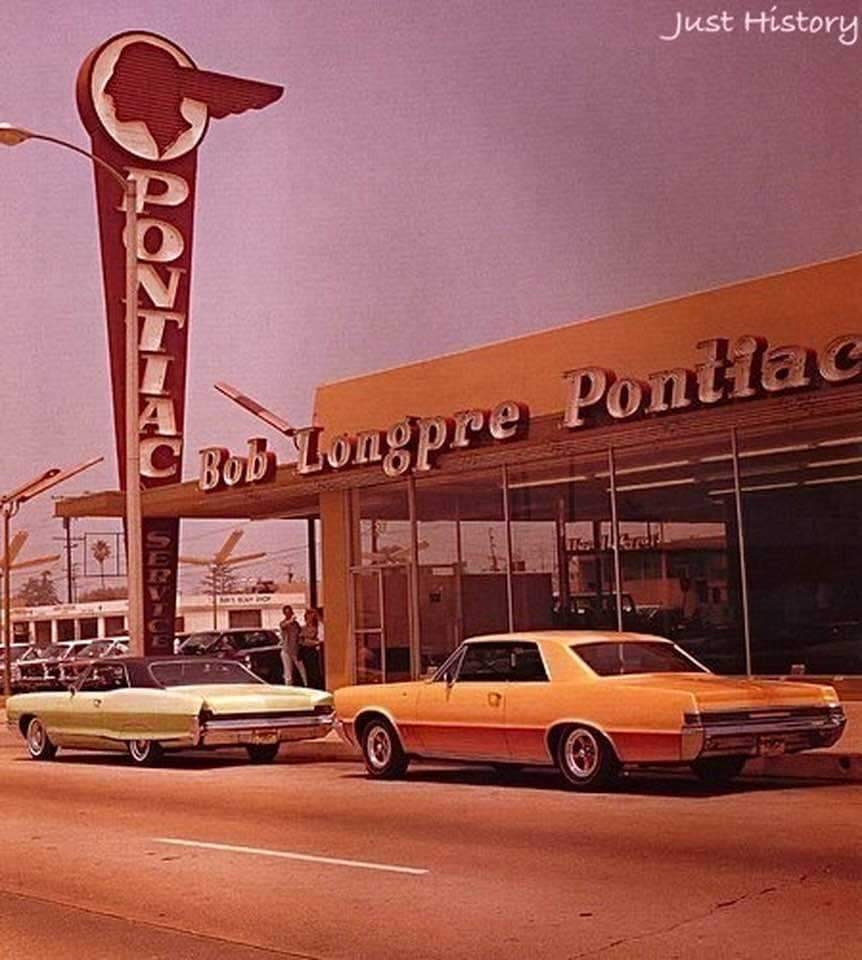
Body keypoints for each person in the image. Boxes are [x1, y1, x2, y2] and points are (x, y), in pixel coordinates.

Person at [278, 605, 306, 686]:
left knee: (302, 670)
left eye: (290, 612)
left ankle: (306, 685)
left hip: (296, 650)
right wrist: (290, 620)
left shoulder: (296, 625)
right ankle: (288, 688)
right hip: (286, 650)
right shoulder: (283, 623)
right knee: (288, 673)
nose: (288, 614)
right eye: (286, 613)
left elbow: (299, 635)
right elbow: (283, 626)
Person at [299, 607, 324, 690]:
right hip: (306, 651)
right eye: (308, 617)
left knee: (316, 670)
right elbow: (301, 640)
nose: (309, 619)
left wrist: (312, 641)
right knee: (308, 670)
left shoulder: (316, 628)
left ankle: (317, 685)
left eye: (311, 617)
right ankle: (310, 686)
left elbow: (316, 638)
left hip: (314, 650)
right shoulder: (303, 628)